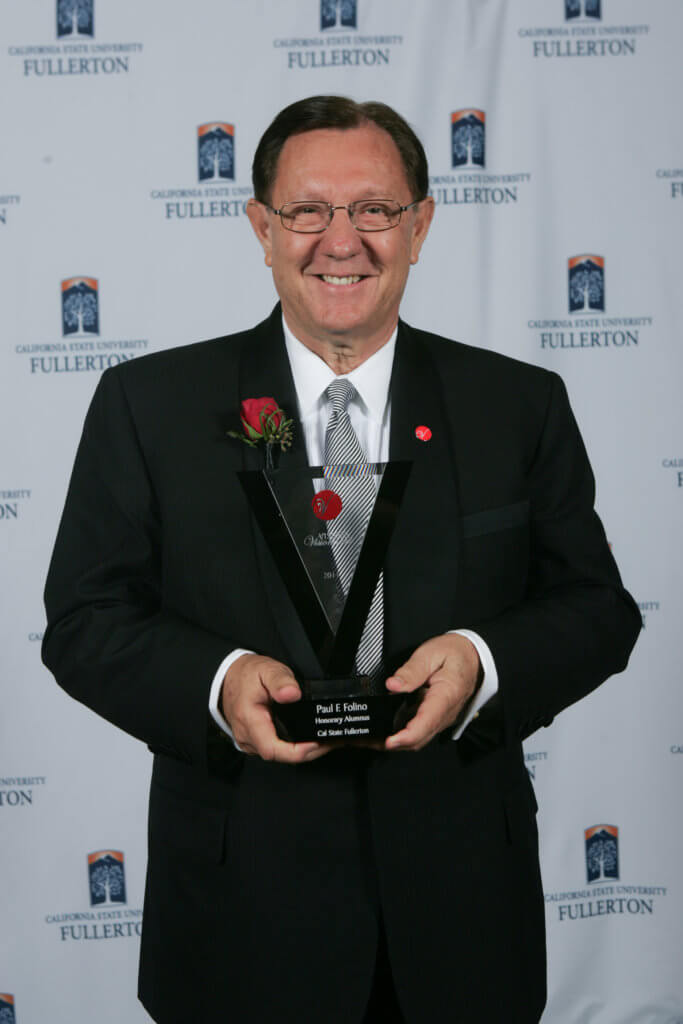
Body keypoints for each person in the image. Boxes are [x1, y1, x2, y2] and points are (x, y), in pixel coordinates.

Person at [42, 96, 640, 1024]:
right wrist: (221, 681)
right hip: (242, 919)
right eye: (307, 211)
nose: (341, 239)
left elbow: (597, 610)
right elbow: (85, 620)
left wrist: (483, 660)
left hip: (461, 921)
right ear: (261, 227)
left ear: (421, 224)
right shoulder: (148, 406)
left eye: (374, 209)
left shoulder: (517, 404)